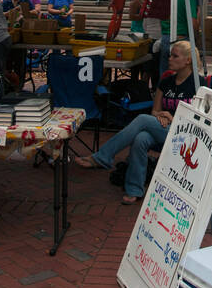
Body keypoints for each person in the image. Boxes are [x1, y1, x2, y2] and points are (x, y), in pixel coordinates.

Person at [75, 40, 198, 204]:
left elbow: (200, 120)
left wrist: (172, 118)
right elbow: (155, 110)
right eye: (170, 55)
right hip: (162, 128)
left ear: (187, 61)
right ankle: (134, 189)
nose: (169, 59)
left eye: (175, 56)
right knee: (141, 138)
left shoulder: (197, 84)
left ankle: (102, 157)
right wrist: (160, 116)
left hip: (184, 134)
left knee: (141, 120)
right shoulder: (166, 82)